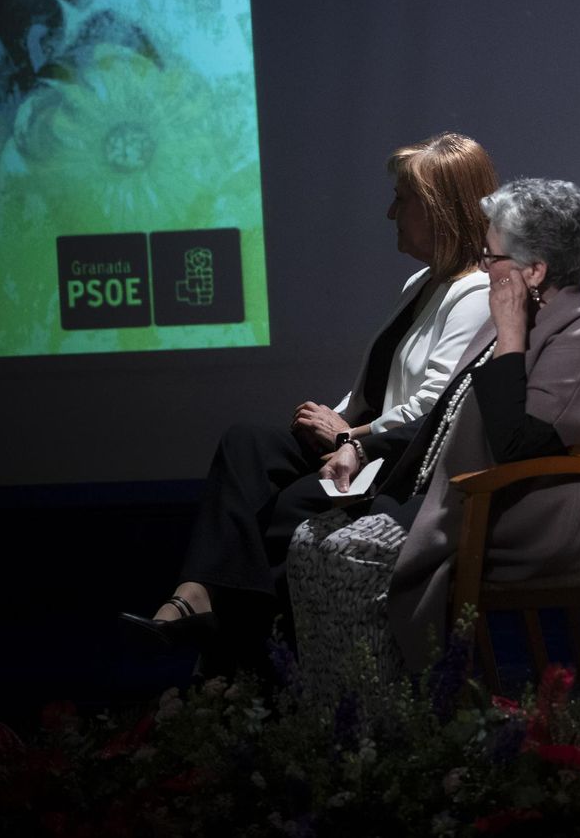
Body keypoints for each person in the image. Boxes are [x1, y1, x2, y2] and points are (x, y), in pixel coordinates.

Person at [120, 132, 497, 649]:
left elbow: (432, 409)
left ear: (437, 210)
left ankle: (239, 651)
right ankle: (194, 595)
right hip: (361, 444)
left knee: (287, 506)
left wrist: (351, 434)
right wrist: (333, 417)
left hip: (398, 463)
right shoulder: (422, 283)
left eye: (402, 200)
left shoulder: (476, 293)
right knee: (246, 443)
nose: (391, 213)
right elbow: (375, 387)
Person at [289, 177, 580, 674]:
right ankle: (343, 722)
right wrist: (363, 448)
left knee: (350, 553)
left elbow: (516, 442)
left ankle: (396, 725)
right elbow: (448, 413)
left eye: (492, 257)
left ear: (534, 270)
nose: (483, 266)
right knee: (308, 541)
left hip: (524, 509)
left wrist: (511, 337)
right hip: (467, 493)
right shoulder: (522, 311)